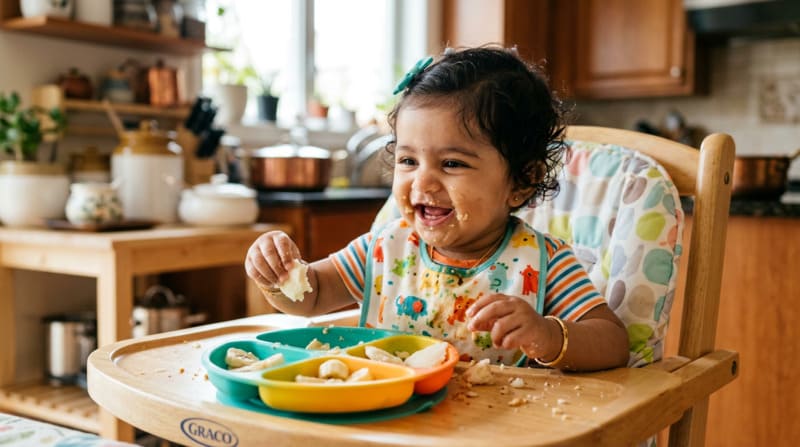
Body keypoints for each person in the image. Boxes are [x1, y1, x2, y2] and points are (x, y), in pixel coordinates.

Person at [245, 46, 629, 371]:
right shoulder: (384, 249)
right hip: (387, 422)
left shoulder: (545, 263)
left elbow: (612, 342)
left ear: (522, 181)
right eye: (408, 161)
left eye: (452, 164)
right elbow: (309, 296)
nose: (422, 183)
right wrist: (277, 273)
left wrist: (546, 334)